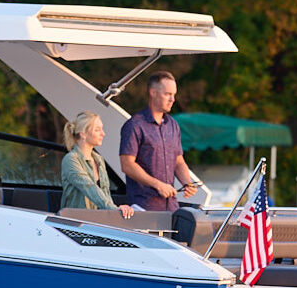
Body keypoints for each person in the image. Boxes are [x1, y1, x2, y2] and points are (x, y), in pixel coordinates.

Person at [119, 71, 202, 211]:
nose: (172, 99)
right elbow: (127, 165)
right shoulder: (134, 125)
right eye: (168, 94)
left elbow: (179, 161)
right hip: (144, 208)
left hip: (171, 207)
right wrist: (158, 185)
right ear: (153, 93)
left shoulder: (173, 125)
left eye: (174, 94)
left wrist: (187, 183)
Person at [61, 111, 135, 218]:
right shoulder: (70, 160)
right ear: (83, 134)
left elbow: (106, 194)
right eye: (97, 130)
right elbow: (89, 187)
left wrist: (115, 212)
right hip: (77, 222)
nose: (103, 134)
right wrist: (113, 209)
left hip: (97, 220)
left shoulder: (99, 159)